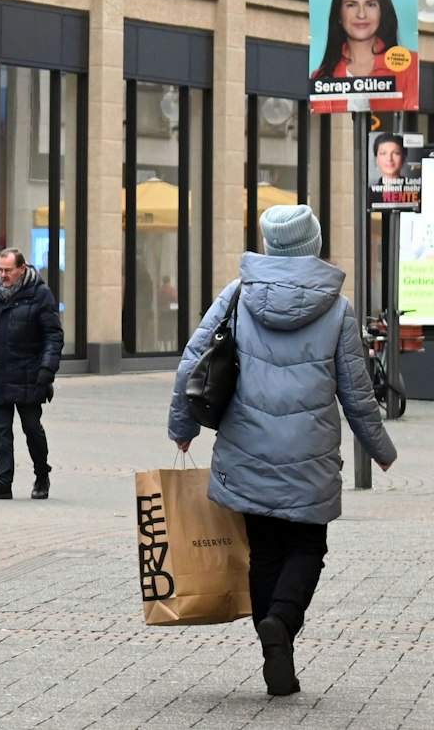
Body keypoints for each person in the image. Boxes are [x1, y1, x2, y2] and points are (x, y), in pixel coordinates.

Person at [169, 205, 396, 697]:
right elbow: (356, 391)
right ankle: (282, 622)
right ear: (312, 244)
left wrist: (183, 427)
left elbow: (194, 363)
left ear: (271, 246)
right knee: (307, 546)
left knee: (264, 549)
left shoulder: (236, 296)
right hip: (310, 454)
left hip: (245, 449)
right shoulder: (338, 308)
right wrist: (379, 447)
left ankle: (274, 644)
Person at [0, 247, 64, 500]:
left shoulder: (39, 294)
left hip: (29, 374)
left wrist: (47, 369)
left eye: (8, 270)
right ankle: (3, 482)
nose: (2, 275)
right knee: (1, 431)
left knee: (32, 428)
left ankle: (42, 475)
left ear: (22, 269)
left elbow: (53, 336)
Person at [309, 0, 399, 82]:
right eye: (351, 5)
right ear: (339, 15)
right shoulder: (320, 76)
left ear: (382, 12)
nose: (361, 14)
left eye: (370, 4)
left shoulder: (407, 64)